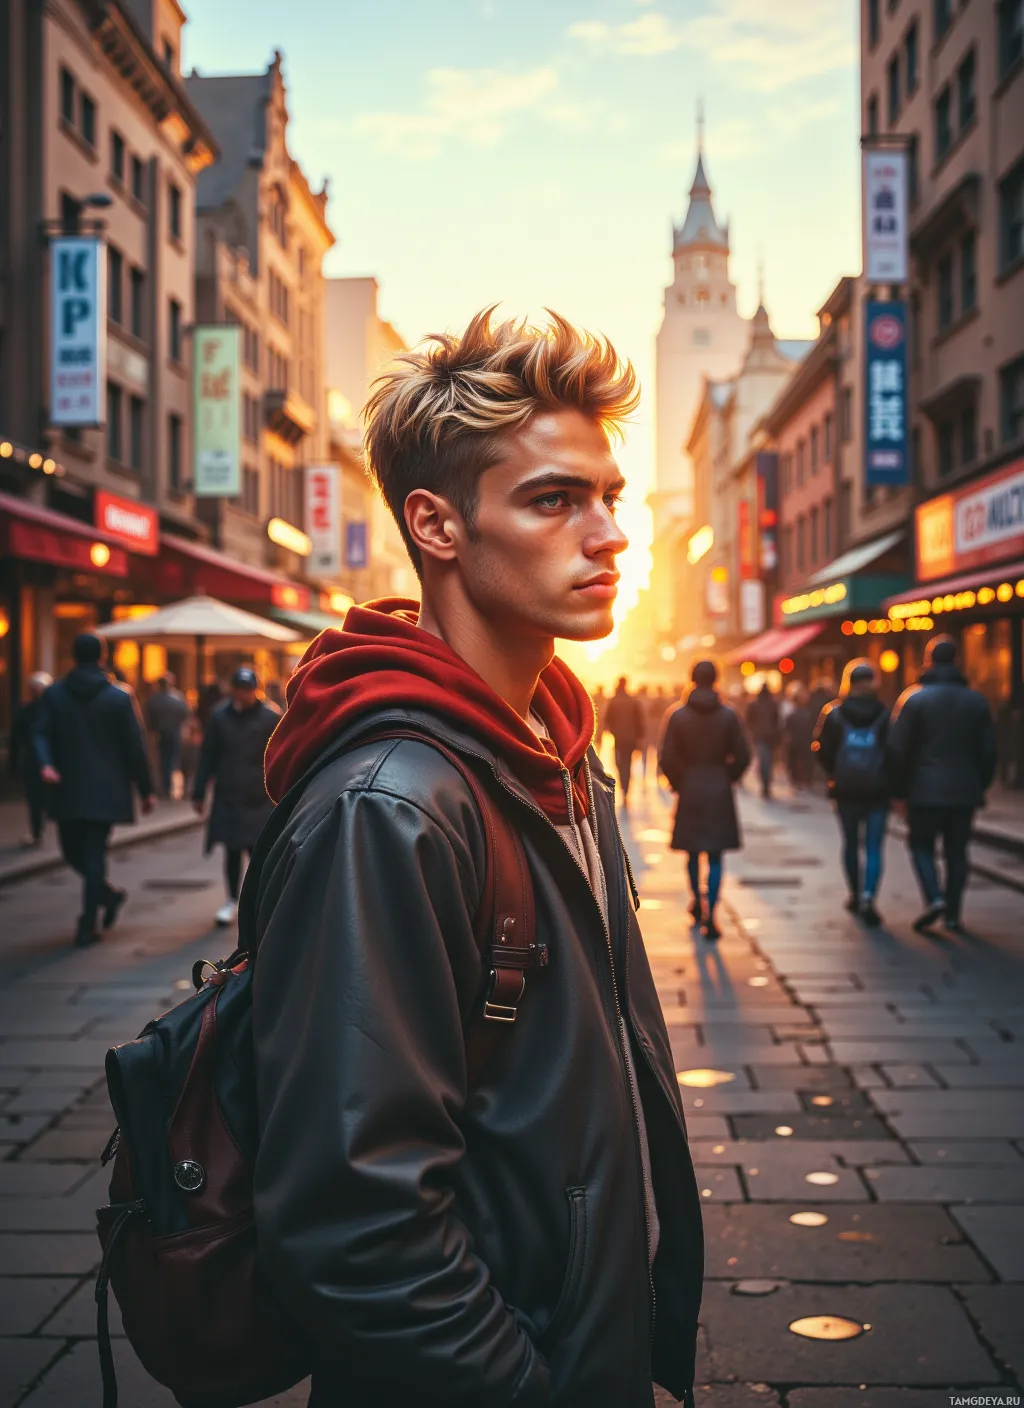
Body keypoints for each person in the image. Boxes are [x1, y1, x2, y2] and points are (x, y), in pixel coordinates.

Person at [249, 310, 703, 1408]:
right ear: (437, 525)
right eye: (554, 499)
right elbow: (356, 1223)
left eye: (610, 498)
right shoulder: (390, 808)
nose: (608, 535)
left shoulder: (552, 751)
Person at [32, 634, 153, 946]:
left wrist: (46, 763)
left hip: (68, 786)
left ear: (73, 655)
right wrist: (146, 789)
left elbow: (39, 733)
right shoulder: (119, 696)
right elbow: (135, 747)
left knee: (76, 852)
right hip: (107, 788)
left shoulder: (55, 694)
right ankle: (107, 897)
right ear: (101, 657)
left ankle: (88, 922)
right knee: (89, 854)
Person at [887, 635, 997, 934]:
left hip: (924, 791)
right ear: (958, 661)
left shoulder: (913, 699)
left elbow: (897, 750)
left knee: (921, 845)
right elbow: (989, 752)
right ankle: (952, 913)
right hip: (964, 790)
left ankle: (934, 896)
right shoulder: (977, 701)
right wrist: (979, 784)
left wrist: (898, 791)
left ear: (928, 661)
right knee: (957, 851)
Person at [658, 659, 750, 940]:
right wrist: (728, 776)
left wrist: (678, 781)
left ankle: (697, 901)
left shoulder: (678, 715)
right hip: (718, 788)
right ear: (716, 680)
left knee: (693, 851)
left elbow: (666, 757)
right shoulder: (728, 715)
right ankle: (712, 913)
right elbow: (744, 754)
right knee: (716, 854)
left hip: (691, 788)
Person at [192, 666, 279, 927]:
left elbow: (280, 755)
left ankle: (259, 904)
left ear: (256, 690)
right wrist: (198, 791)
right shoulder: (220, 717)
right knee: (230, 851)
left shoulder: (270, 717)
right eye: (240, 690)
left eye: (248, 690)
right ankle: (231, 899)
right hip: (229, 794)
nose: (244, 695)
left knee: (259, 854)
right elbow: (208, 755)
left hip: (259, 796)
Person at [812, 660, 890, 925]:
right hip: (877, 790)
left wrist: (833, 774)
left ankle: (854, 894)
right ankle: (869, 895)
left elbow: (820, 749)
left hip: (845, 789)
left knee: (850, 843)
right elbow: (894, 751)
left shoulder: (834, 713)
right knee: (873, 847)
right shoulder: (884, 712)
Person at [9, 672, 52, 847]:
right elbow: (16, 739)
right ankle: (37, 830)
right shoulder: (40, 710)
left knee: (37, 799)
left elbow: (15, 739)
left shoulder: (32, 710)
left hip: (40, 763)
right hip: (41, 763)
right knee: (38, 799)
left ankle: (37, 831)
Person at [144, 672, 190, 799]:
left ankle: (164, 786)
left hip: (161, 733)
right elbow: (185, 713)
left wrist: (152, 729)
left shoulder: (154, 699)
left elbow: (149, 717)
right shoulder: (177, 698)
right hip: (173, 732)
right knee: (171, 760)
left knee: (164, 760)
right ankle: (166, 785)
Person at [605, 674, 646, 805]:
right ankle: (625, 790)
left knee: (619, 763)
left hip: (619, 738)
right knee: (627, 764)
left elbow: (607, 720)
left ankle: (623, 787)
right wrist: (639, 738)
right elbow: (640, 722)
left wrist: (611, 731)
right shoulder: (633, 701)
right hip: (630, 739)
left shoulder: (613, 701)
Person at [745, 680, 780, 799]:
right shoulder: (773, 703)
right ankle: (766, 784)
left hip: (759, 736)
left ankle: (765, 784)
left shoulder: (753, 703)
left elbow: (748, 720)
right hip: (770, 737)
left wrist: (752, 731)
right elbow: (777, 721)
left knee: (763, 760)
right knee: (768, 761)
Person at [783, 682, 815, 791]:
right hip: (804, 741)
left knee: (794, 762)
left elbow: (785, 729)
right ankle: (804, 780)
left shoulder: (791, 715)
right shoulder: (808, 714)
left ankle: (797, 780)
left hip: (794, 741)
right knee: (804, 760)